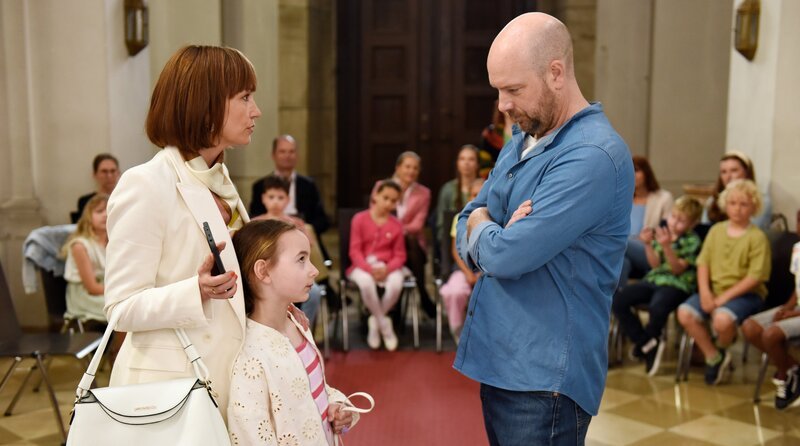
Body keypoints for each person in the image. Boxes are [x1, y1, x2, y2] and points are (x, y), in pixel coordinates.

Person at [456, 13, 634, 444]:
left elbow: (507, 256)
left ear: (556, 73)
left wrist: (486, 229)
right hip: (504, 361)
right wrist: (488, 227)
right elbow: (466, 218)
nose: (502, 104)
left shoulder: (592, 155)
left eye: (514, 89)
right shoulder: (523, 137)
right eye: (498, 89)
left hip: (544, 377)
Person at [104, 45, 304, 417]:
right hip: (172, 387)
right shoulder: (146, 183)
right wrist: (194, 291)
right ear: (205, 104)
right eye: (245, 97)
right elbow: (121, 308)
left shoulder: (219, 178)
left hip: (226, 375)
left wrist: (275, 303)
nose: (256, 110)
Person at [228, 219, 363, 444]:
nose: (315, 270)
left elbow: (312, 388)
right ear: (263, 271)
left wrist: (336, 406)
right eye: (301, 259)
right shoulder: (250, 358)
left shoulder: (297, 324)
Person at [677, 179, 771, 385]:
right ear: (725, 204)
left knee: (721, 319)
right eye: (733, 203)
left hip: (746, 294)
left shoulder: (757, 237)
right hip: (714, 290)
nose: (737, 209)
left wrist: (721, 300)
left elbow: (755, 277)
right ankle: (714, 356)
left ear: (754, 207)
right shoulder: (716, 230)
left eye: (744, 204)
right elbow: (703, 264)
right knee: (684, 313)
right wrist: (705, 293)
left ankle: (722, 345)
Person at [612, 195, 703, 376]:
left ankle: (648, 346)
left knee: (658, 306)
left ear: (692, 224)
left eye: (681, 220)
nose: (674, 222)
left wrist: (667, 247)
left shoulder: (693, 241)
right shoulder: (663, 233)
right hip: (654, 279)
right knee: (619, 299)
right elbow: (654, 264)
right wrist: (648, 244)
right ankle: (646, 342)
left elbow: (677, 269)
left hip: (677, 284)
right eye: (673, 217)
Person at [252, 174, 326, 323]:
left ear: (288, 199)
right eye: (271, 197)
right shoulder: (254, 223)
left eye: (280, 197)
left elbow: (307, 249)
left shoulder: (296, 224)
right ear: (263, 198)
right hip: (264, 273)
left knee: (314, 292)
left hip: (293, 271)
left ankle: (303, 327)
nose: (275, 202)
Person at [371, 151, 433, 317]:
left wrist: (396, 231)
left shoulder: (424, 193)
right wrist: (395, 232)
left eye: (415, 168)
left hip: (413, 248)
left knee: (410, 241)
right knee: (408, 242)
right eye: (407, 167)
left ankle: (395, 310)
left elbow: (417, 225)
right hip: (384, 243)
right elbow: (375, 217)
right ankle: (422, 293)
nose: (411, 171)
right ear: (398, 168)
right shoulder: (382, 187)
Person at [349, 180, 407, 351]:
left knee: (396, 284)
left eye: (393, 201)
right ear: (376, 195)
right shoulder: (359, 219)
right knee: (366, 283)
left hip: (388, 266)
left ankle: (375, 320)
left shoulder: (396, 224)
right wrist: (369, 269)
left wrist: (387, 269)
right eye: (385, 198)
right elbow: (354, 251)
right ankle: (384, 325)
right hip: (363, 265)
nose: (388, 203)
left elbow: (400, 255)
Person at [742, 240, 800, 409]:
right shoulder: (797, 248)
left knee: (771, 334)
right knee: (750, 327)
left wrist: (793, 314)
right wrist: (787, 308)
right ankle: (792, 368)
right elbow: (797, 288)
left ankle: (784, 375)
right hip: (796, 308)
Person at [249, 135, 331, 252]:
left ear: (297, 155)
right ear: (273, 155)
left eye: (291, 152)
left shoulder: (308, 185)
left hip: (300, 233)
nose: (287, 156)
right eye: (282, 151)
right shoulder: (260, 186)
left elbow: (322, 220)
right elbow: (253, 216)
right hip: (271, 235)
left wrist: (300, 227)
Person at [618, 155, 674, 289]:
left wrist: (646, 238)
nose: (632, 175)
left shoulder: (663, 198)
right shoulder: (622, 198)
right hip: (625, 251)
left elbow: (668, 230)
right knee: (622, 262)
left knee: (620, 242)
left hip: (651, 250)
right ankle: (618, 299)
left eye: (636, 170)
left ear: (646, 173)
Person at [440, 178, 484, 344]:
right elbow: (455, 250)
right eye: (473, 195)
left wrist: (481, 273)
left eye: (481, 194)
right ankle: (457, 329)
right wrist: (468, 273)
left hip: (488, 271)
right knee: (453, 292)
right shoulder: (460, 218)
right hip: (463, 268)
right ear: (468, 197)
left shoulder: (496, 217)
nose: (477, 198)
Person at [62, 194, 109, 328]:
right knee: (121, 309)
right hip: (84, 295)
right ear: (88, 216)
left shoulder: (113, 243)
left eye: (108, 210)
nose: (105, 215)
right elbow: (91, 287)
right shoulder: (80, 246)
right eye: (99, 211)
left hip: (106, 288)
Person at [702, 151, 772, 231]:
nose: (728, 176)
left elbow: (751, 229)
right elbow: (704, 229)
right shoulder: (712, 200)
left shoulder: (762, 200)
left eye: (734, 170)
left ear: (746, 172)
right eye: (724, 172)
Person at [434, 144, 480, 246]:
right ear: (457, 163)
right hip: (452, 243)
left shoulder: (484, 188)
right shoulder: (448, 190)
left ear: (477, 164)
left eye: (471, 159)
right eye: (462, 159)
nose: (466, 163)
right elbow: (441, 224)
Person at [71, 153, 120, 223]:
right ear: (95, 174)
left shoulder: (125, 197)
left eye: (113, 171)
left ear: (118, 173)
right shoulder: (86, 201)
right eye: (104, 171)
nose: (109, 176)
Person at [479, 100, 514, 178]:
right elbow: (484, 164)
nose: (509, 106)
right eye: (506, 102)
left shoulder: (529, 131)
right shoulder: (490, 134)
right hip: (496, 179)